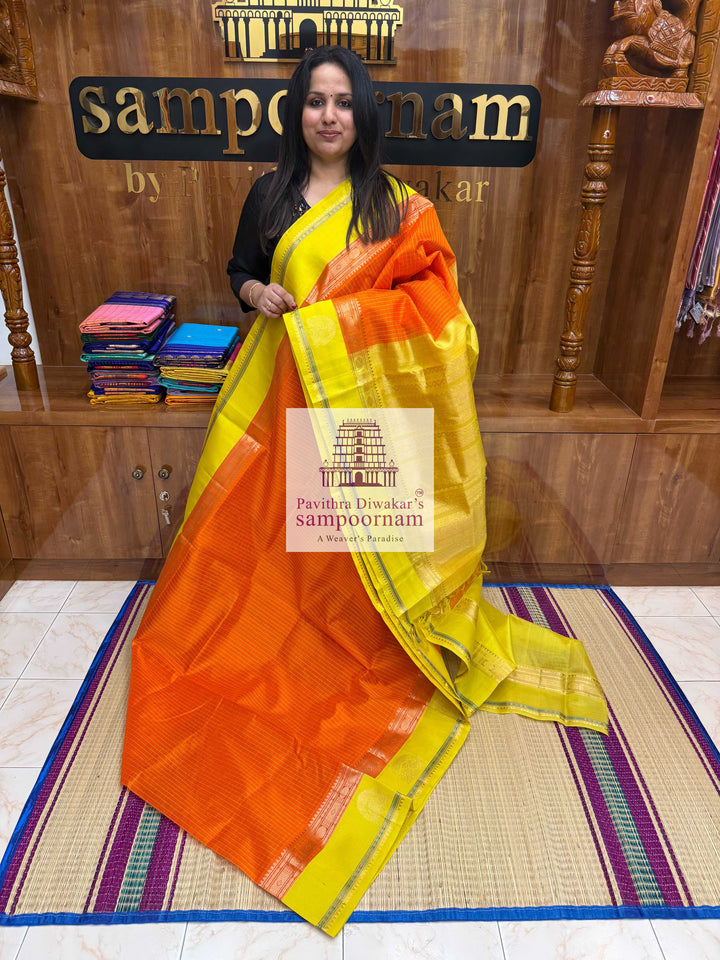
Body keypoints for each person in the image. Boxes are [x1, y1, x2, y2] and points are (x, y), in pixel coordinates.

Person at [121, 46, 608, 937]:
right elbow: (238, 272)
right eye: (315, 102)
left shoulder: (396, 205)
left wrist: (342, 325)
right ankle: (286, 642)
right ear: (296, 114)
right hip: (276, 394)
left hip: (359, 408)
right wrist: (259, 291)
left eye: (343, 102)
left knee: (352, 551)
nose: (330, 116)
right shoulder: (269, 198)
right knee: (272, 545)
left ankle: (357, 641)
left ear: (364, 113)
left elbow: (438, 308)